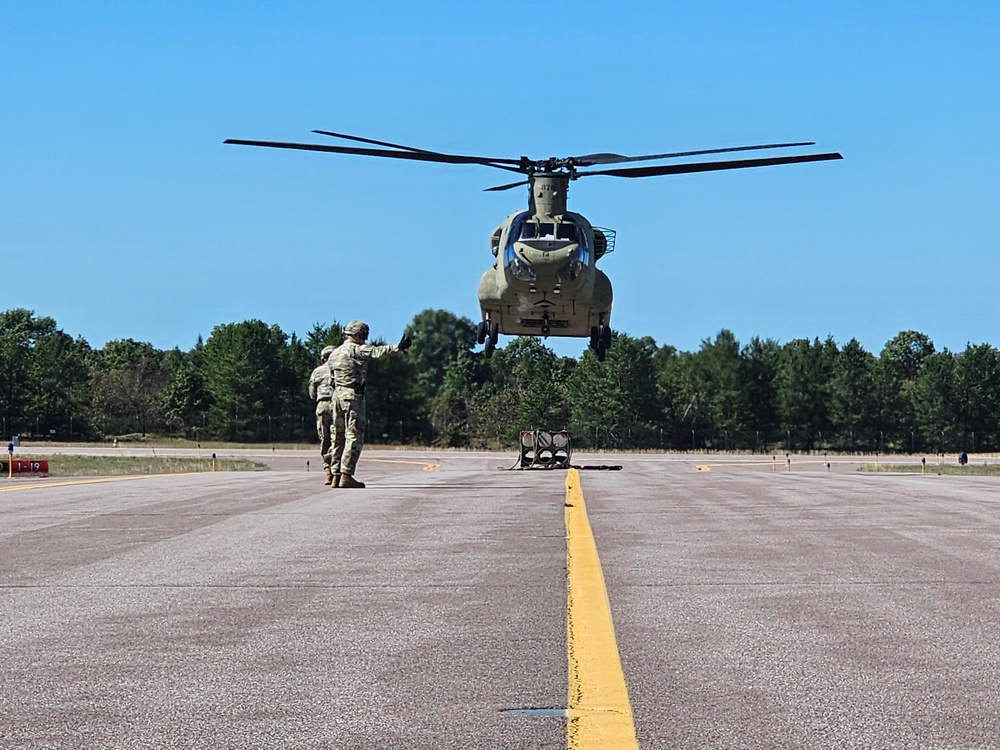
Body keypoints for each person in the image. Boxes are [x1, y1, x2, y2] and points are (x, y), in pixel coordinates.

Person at [329, 320, 411, 488]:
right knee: (353, 435)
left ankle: (335, 473)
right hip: (352, 395)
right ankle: (346, 474)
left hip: (336, 396)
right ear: (358, 335)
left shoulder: (334, 354)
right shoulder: (356, 349)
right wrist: (397, 347)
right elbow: (376, 352)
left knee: (337, 436)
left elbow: (330, 378)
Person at [308, 345, 337, 485]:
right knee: (338, 438)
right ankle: (337, 471)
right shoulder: (339, 370)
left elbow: (312, 394)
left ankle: (328, 471)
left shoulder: (317, 372)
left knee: (324, 438)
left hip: (323, 405)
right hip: (338, 405)